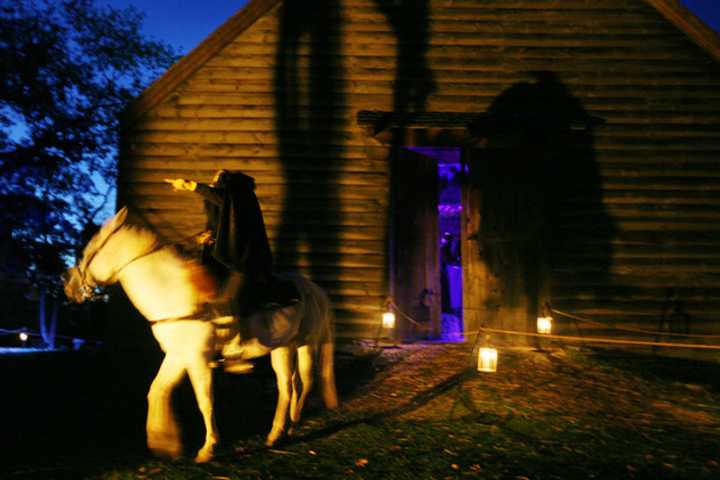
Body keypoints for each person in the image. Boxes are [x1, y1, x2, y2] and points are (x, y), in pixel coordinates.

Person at [165, 170, 274, 317]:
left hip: (240, 259)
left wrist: (189, 185)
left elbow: (224, 201)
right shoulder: (229, 202)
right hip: (221, 255)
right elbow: (220, 225)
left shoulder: (241, 197)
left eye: (218, 181)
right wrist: (207, 236)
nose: (213, 184)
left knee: (232, 295)